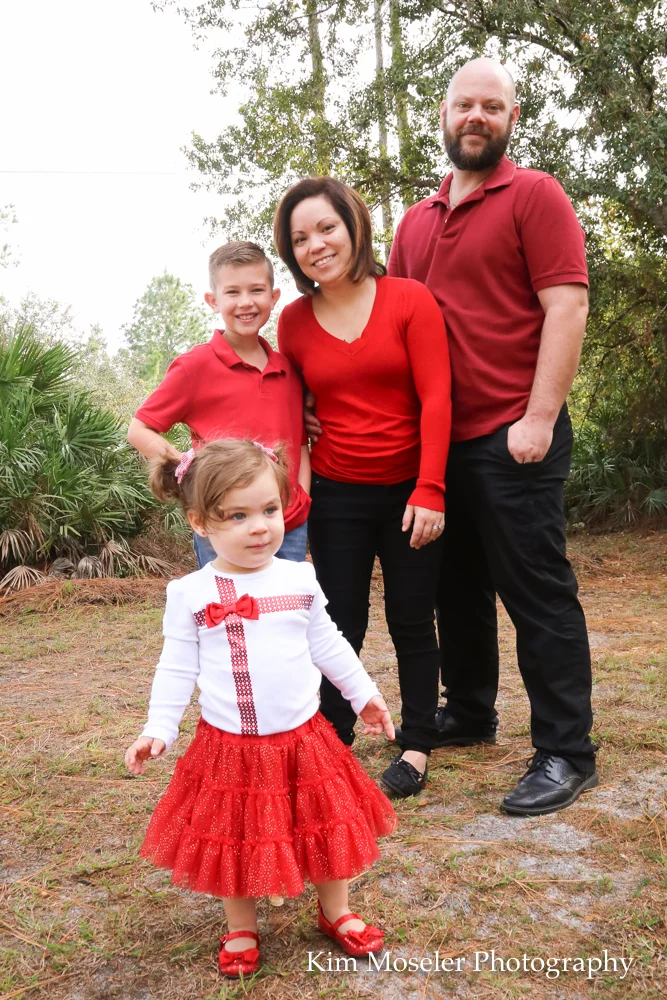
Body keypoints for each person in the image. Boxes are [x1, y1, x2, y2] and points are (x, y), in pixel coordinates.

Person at [386, 57, 598, 816]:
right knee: (455, 589)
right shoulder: (414, 221)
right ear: (443, 115)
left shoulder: (534, 195)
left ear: (511, 119)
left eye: (492, 106)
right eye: (463, 105)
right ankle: (470, 712)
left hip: (515, 433)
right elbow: (394, 325)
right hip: (439, 440)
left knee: (535, 591)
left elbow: (566, 306)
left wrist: (538, 418)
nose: (475, 116)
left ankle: (566, 750)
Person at [124, 438, 397, 978]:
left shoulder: (299, 577)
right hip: (230, 746)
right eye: (238, 516)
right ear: (200, 523)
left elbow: (329, 643)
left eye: (270, 510)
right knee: (238, 834)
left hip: (303, 738)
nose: (259, 527)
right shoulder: (190, 593)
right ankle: (241, 926)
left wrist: (363, 694)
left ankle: (336, 910)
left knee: (324, 822)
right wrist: (159, 727)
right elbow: (175, 666)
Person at [273, 177, 451, 799]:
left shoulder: (409, 299)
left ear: (354, 228)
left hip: (409, 493)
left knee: (412, 618)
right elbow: (289, 401)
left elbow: (437, 398)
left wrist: (432, 488)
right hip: (337, 494)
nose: (316, 245)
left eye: (327, 228)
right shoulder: (293, 321)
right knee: (337, 620)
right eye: (300, 238)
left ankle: (417, 744)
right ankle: (333, 737)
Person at [127, 242, 311, 566]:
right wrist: (191, 473)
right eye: (232, 292)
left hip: (286, 523)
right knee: (229, 600)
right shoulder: (194, 366)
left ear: (273, 297)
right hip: (222, 524)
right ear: (213, 301)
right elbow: (139, 430)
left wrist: (301, 498)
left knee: (285, 599)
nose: (245, 302)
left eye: (256, 290)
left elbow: (299, 444)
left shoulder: (288, 370)